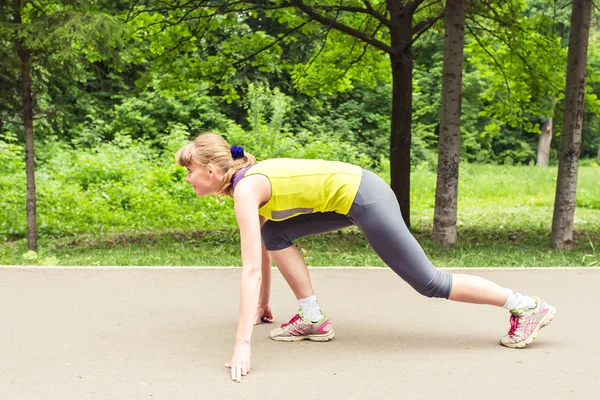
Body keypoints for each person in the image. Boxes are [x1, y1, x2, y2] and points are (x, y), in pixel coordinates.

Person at [175, 132, 556, 383]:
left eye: (189, 171)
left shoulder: (245, 190)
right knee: (275, 231)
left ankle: (526, 306)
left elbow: (251, 271)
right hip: (353, 193)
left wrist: (242, 344)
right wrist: (262, 305)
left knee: (430, 282)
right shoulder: (247, 183)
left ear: (210, 169)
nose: (188, 179)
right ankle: (313, 319)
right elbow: (263, 244)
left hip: (365, 196)